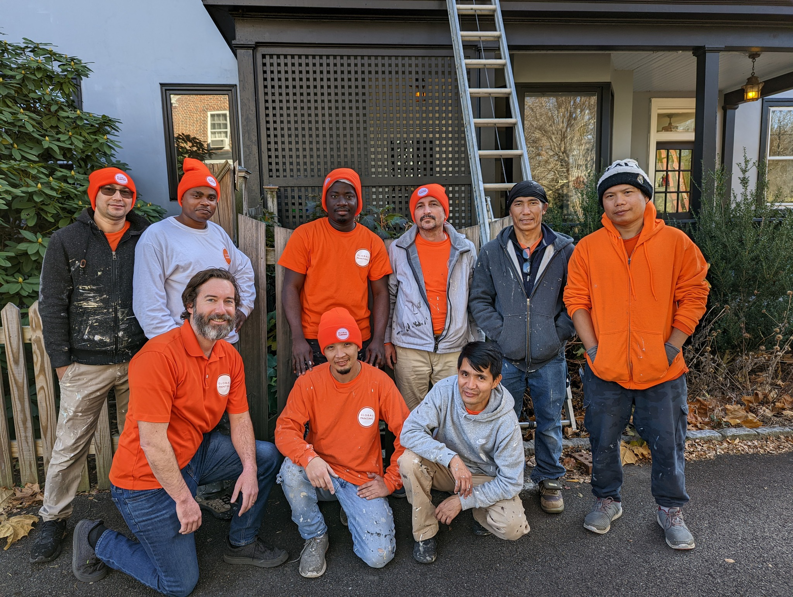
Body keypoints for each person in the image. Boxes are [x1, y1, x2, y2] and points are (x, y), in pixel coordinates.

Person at [72, 269, 287, 594]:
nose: (221, 309)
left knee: (265, 455)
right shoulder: (158, 357)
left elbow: (240, 419)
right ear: (190, 305)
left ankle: (242, 541)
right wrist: (186, 501)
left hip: (196, 454)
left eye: (229, 301)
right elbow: (153, 442)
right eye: (211, 299)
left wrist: (250, 469)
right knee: (179, 584)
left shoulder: (228, 356)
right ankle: (95, 537)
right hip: (146, 482)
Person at [564, 159, 709, 550]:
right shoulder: (588, 248)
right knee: (603, 439)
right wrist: (593, 349)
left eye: (628, 192)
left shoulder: (677, 243)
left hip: (662, 371)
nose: (619, 202)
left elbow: (695, 294)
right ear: (603, 205)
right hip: (606, 370)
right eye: (610, 195)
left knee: (668, 442)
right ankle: (607, 500)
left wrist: (671, 347)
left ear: (645, 196)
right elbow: (576, 299)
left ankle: (670, 510)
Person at [31, 168, 149, 564]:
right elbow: (51, 303)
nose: (118, 198)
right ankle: (53, 518)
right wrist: (62, 361)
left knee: (144, 441)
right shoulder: (67, 240)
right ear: (94, 195)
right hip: (85, 361)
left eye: (125, 192)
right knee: (70, 444)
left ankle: (144, 511)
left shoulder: (146, 237)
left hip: (138, 359)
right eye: (110, 191)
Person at [275, 307, 409, 578]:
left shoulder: (379, 382)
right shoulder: (309, 383)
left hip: (362, 479)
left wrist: (391, 480)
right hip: (322, 473)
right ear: (322, 350)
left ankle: (352, 509)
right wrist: (308, 458)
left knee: (379, 557)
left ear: (357, 345)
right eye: (332, 346)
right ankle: (315, 536)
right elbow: (285, 429)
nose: (340, 354)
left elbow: (407, 434)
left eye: (347, 344)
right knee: (290, 469)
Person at [469, 180, 575, 515]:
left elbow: (576, 301)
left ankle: (549, 478)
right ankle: (503, 480)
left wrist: (557, 334)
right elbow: (479, 300)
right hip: (504, 357)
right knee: (502, 422)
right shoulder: (492, 251)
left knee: (549, 422)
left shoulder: (565, 250)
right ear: (509, 209)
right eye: (518, 204)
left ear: (545, 208)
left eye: (533, 203)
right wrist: (501, 334)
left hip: (550, 355)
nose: (525, 211)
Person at [399, 341, 529, 564]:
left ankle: (478, 511)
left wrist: (462, 501)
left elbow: (512, 482)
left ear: (496, 381)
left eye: (481, 377)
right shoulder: (443, 390)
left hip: (482, 477)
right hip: (447, 470)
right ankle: (425, 532)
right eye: (465, 374)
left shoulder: (506, 419)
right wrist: (451, 458)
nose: (470, 385)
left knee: (512, 526)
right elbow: (409, 432)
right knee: (409, 461)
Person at [278, 168, 391, 375]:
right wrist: (298, 339)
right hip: (314, 338)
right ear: (325, 201)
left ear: (358, 201)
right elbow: (290, 288)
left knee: (356, 402)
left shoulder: (372, 242)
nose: (342, 202)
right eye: (334, 196)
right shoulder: (305, 235)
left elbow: (381, 293)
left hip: (359, 339)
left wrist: (378, 340)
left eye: (349, 196)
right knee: (313, 402)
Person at [133, 158, 255, 346]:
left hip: (224, 343)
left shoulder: (217, 233)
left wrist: (243, 307)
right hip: (182, 346)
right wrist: (173, 343)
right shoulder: (157, 236)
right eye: (197, 195)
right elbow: (148, 301)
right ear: (182, 198)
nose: (205, 202)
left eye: (211, 198)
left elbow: (243, 269)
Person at [384, 183, 480, 410]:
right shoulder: (399, 248)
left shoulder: (465, 249)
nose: (426, 211)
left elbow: (475, 299)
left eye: (433, 204)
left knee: (451, 413)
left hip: (453, 347)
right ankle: (413, 448)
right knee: (410, 415)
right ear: (413, 214)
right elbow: (390, 296)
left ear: (444, 212)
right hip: (410, 347)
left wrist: (476, 343)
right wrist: (387, 339)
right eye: (420, 206)